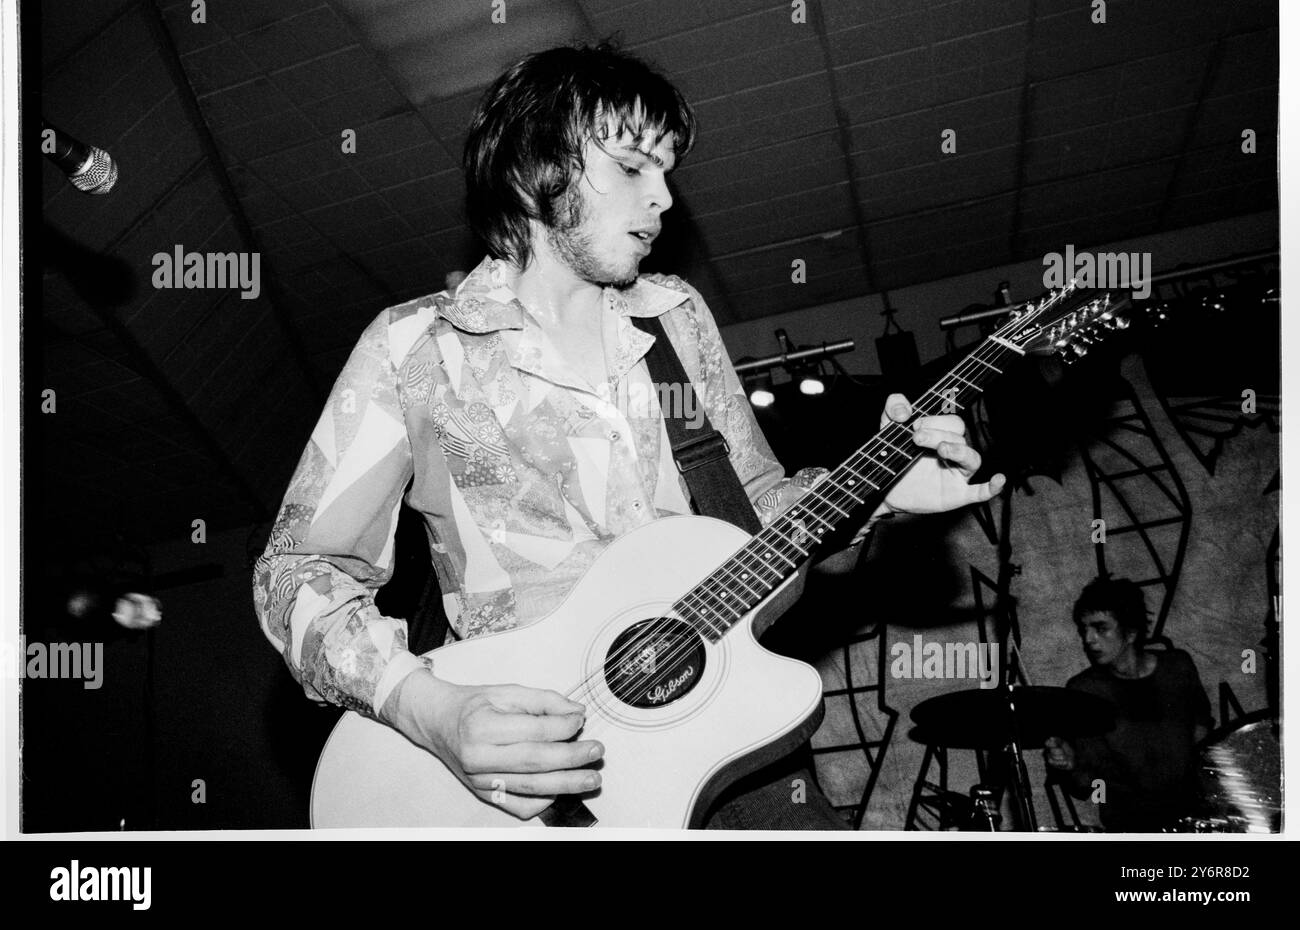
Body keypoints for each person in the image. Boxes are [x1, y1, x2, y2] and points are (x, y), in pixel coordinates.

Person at [252, 42, 1004, 828]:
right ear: (529, 172)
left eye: (669, 170)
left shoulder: (677, 319)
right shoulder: (415, 349)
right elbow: (296, 574)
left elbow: (757, 514)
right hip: (528, 782)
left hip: (730, 750)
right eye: (634, 167)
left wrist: (879, 492)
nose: (666, 198)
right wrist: (428, 709)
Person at [1044, 577, 1214, 831]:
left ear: (1131, 632)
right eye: (1084, 630)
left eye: (1100, 628)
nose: (1088, 639)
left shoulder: (1178, 666)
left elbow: (1203, 732)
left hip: (1195, 817)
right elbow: (1086, 787)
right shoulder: (1084, 691)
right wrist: (1069, 766)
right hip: (1132, 825)